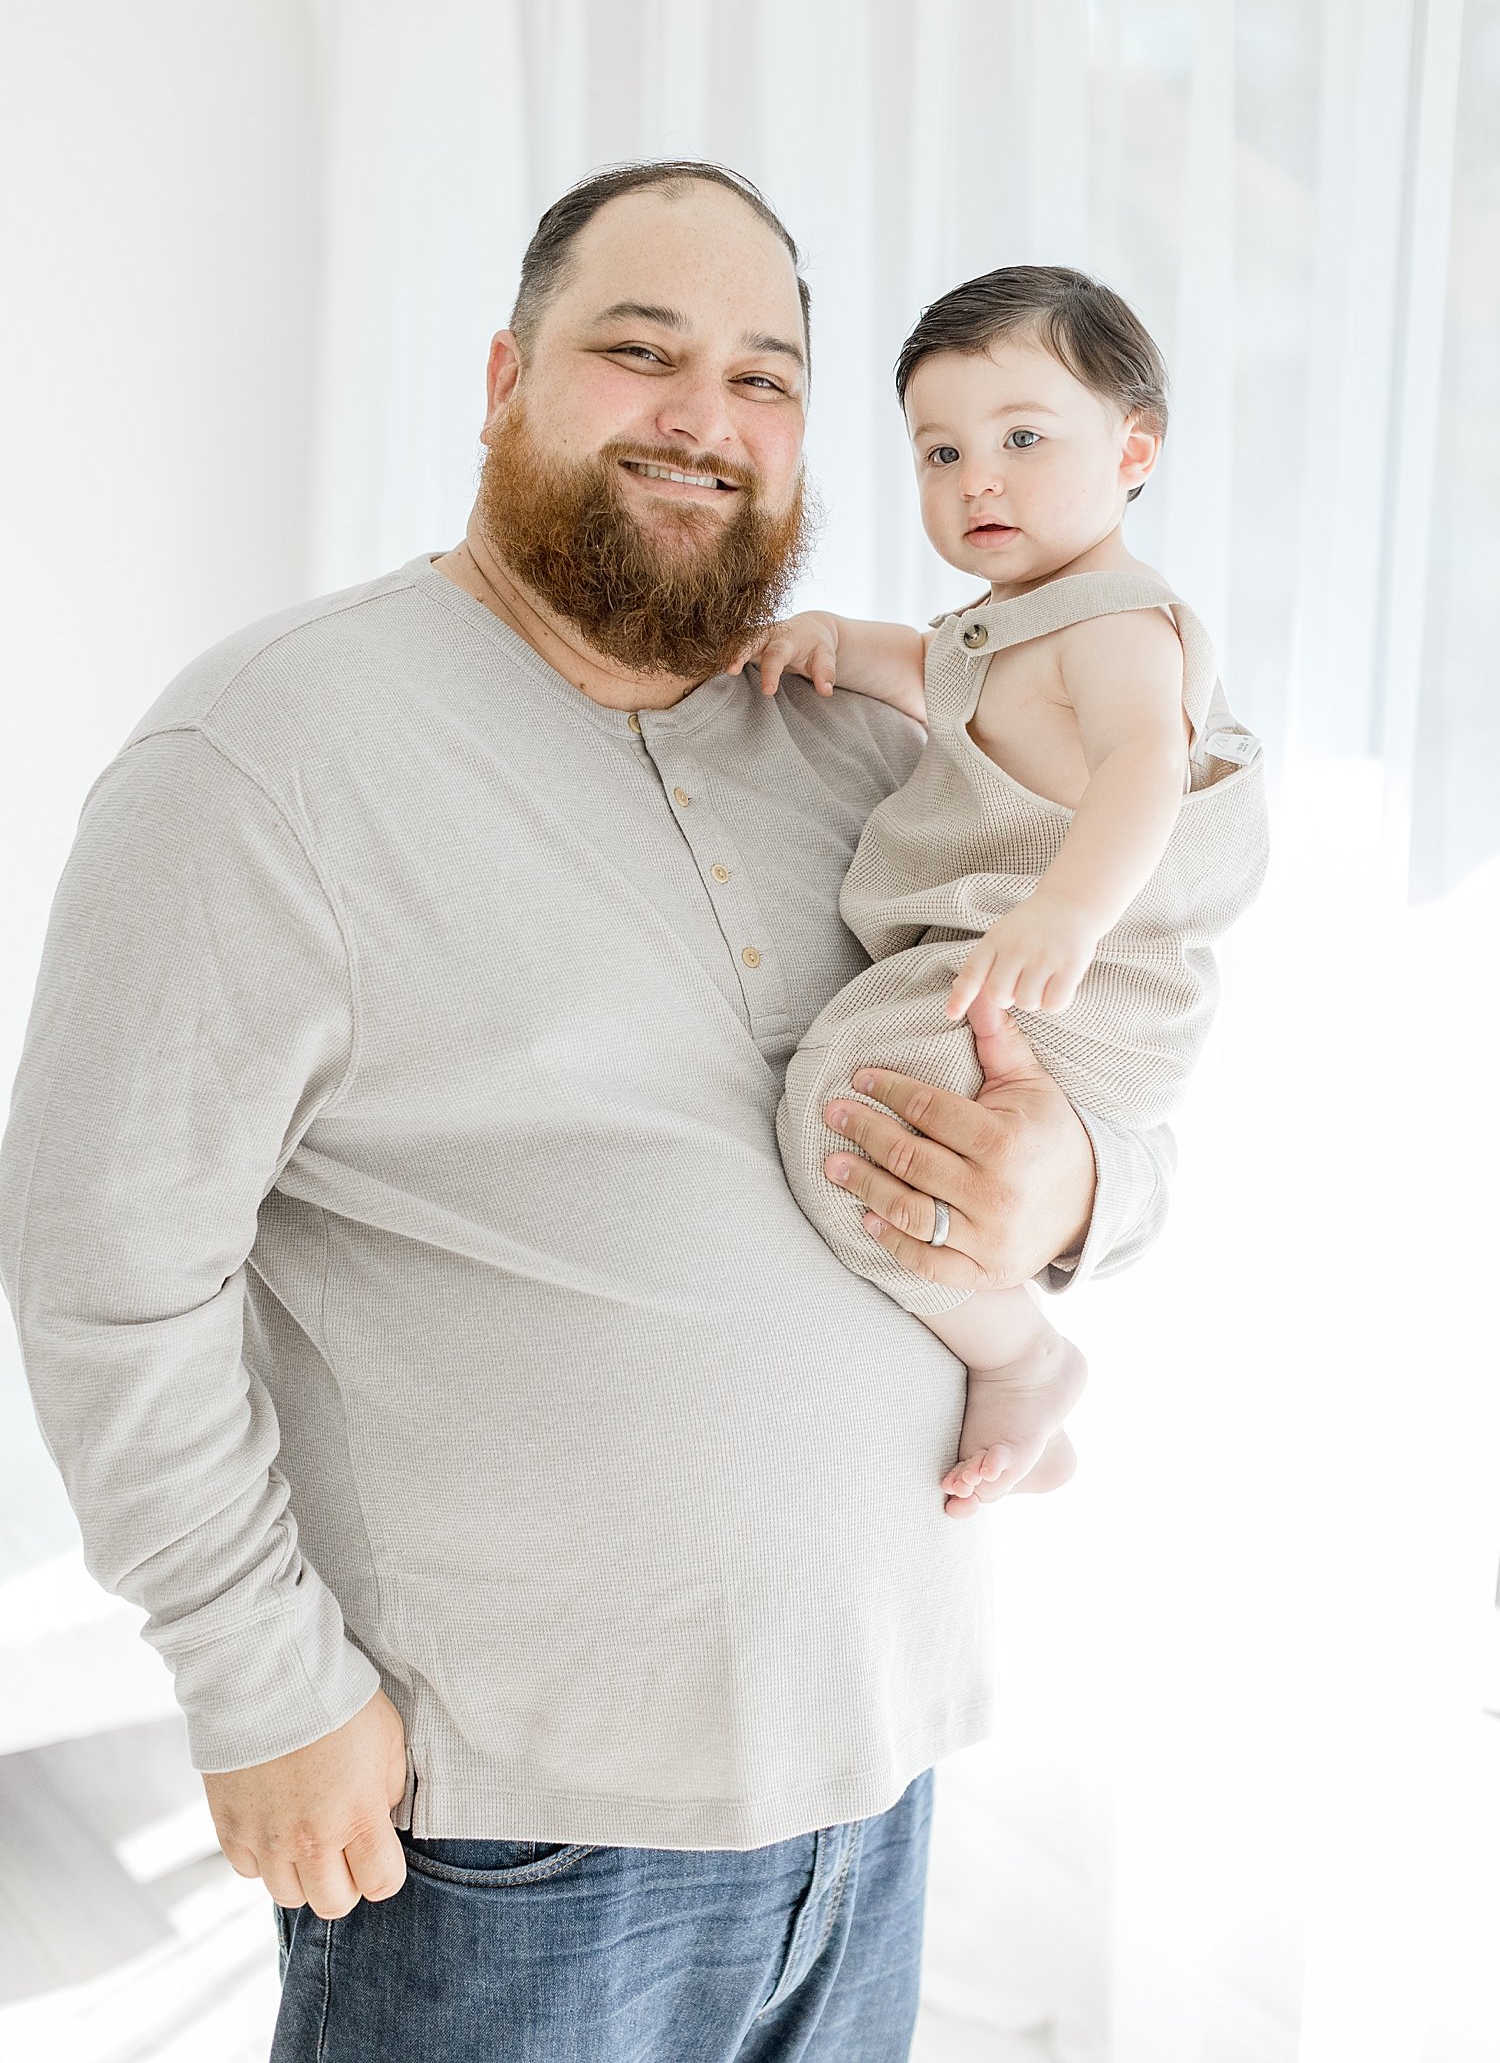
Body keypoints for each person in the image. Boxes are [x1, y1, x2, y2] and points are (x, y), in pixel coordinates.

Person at [0, 164, 1172, 2062]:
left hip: (876, 1796)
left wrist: (1082, 1187)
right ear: (501, 377)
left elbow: (1129, 1036)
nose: (707, 417)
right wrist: (260, 1690)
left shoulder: (885, 735)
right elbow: (101, 1274)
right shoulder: (260, 756)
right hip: (504, 1847)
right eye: (641, 351)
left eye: (767, 378)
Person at [737, 267, 1268, 1520]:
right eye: (940, 451)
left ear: (1135, 449)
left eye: (1023, 439)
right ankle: (1002, 1351)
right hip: (1022, 962)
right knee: (869, 1112)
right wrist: (837, 643)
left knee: (852, 1116)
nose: (976, 478)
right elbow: (944, 679)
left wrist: (1068, 911)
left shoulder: (1122, 628)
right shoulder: (1010, 625)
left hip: (1086, 983)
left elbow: (1143, 762)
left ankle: (1022, 1357)